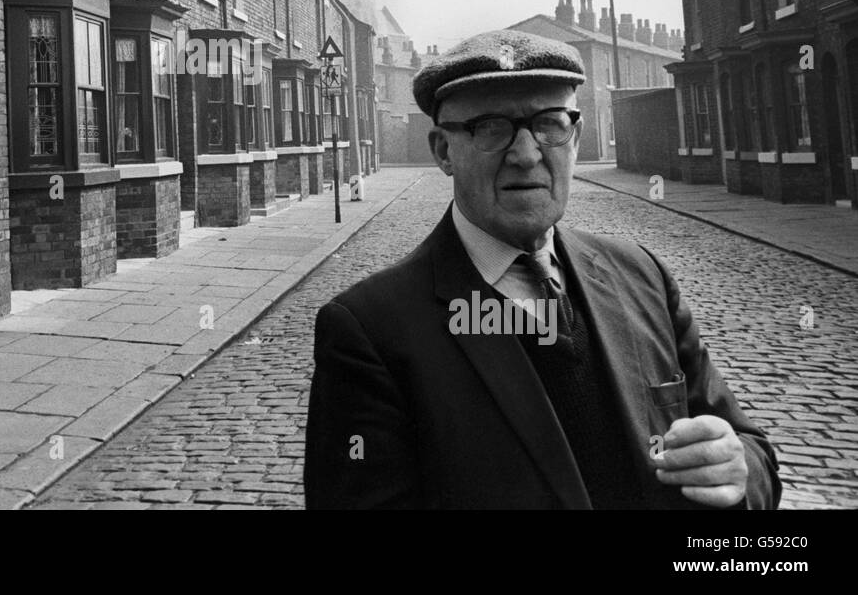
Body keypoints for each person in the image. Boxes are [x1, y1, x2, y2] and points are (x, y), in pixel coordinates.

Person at [303, 30, 780, 509]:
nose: (527, 154)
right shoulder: (370, 331)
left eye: (550, 123)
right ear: (444, 151)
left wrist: (736, 471)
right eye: (490, 128)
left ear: (575, 136)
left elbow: (750, 452)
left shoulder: (642, 275)